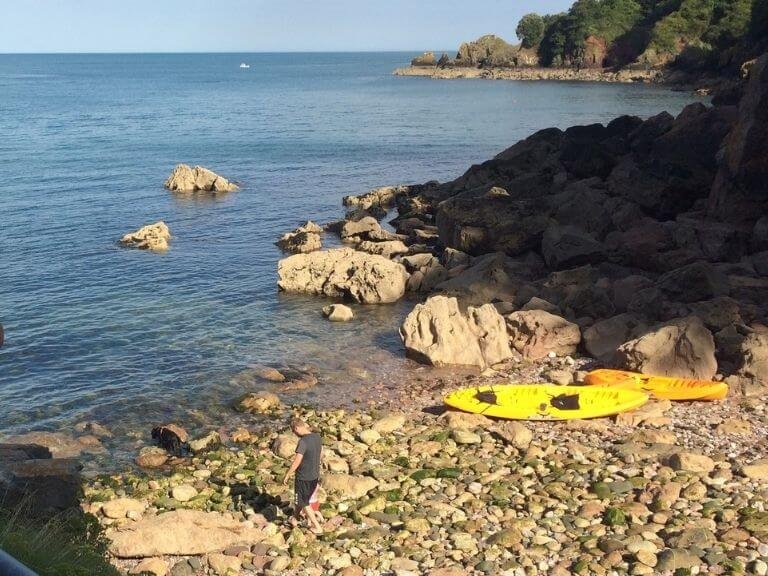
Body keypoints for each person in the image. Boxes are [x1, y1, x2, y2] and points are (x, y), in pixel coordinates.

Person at [282, 417, 324, 533]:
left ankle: (317, 527)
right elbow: (321, 454)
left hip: (303, 477)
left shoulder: (303, 442)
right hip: (314, 475)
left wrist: (288, 474)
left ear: (296, 428)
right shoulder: (317, 437)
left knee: (303, 502)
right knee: (300, 498)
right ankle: (294, 519)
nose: (294, 434)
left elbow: (297, 461)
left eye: (294, 431)